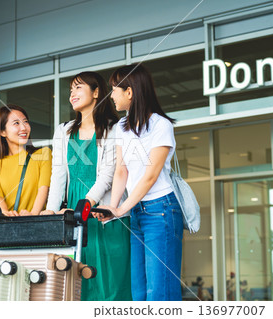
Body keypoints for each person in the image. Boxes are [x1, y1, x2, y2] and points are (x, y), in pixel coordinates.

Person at [42, 71, 132, 301]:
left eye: (78, 87)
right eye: (71, 89)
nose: (72, 93)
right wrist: (52, 212)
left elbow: (108, 175)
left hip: (103, 210)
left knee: (111, 279)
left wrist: (87, 204)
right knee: (78, 280)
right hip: (73, 212)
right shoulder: (63, 130)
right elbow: (58, 175)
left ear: (96, 92)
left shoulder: (115, 128)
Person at [97, 63, 183, 301]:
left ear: (130, 92)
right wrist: (112, 207)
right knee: (139, 292)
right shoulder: (122, 127)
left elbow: (151, 174)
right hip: (137, 213)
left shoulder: (160, 125)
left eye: (114, 89)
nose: (111, 94)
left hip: (161, 210)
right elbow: (121, 171)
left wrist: (122, 208)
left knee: (160, 293)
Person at [0, 104, 52, 216]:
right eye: (16, 123)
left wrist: (32, 215)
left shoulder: (43, 154)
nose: (24, 127)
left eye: (25, 122)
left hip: (38, 225)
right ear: (3, 132)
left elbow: (43, 189)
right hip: (9, 228)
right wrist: (6, 214)